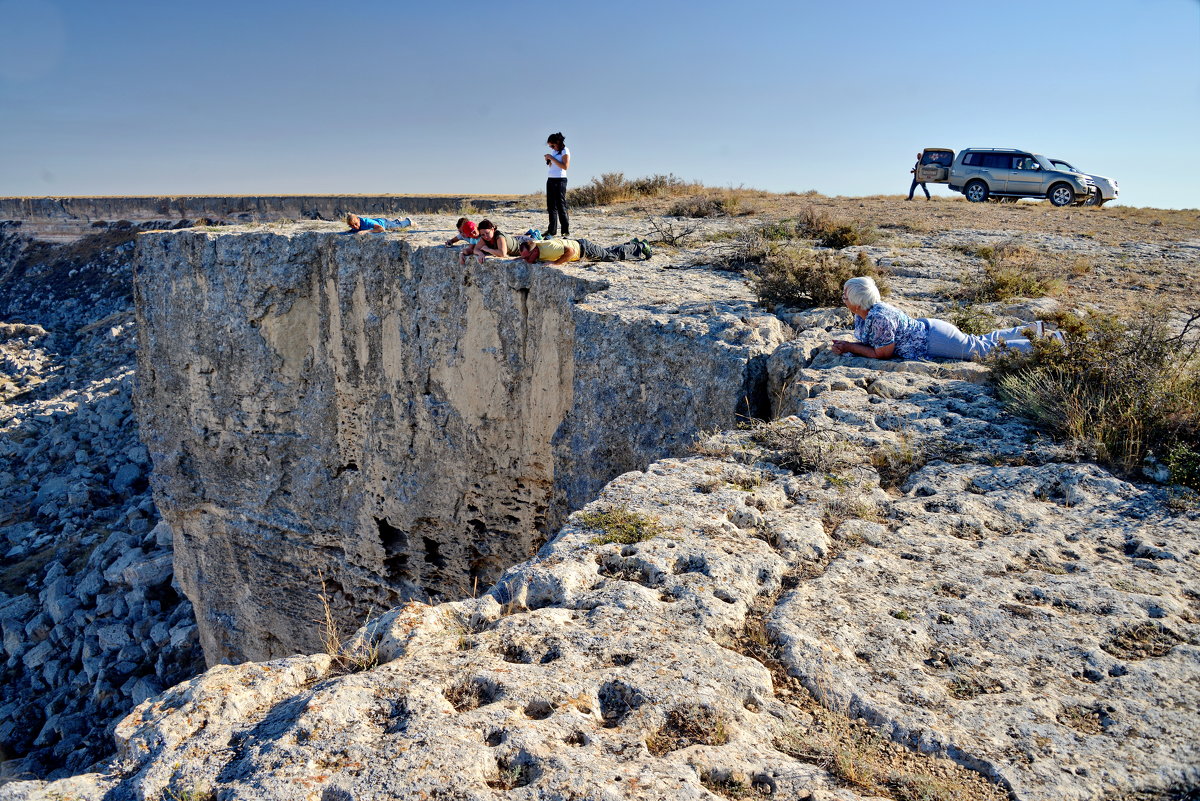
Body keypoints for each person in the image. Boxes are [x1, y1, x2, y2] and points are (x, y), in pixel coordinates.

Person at [831, 276, 1061, 361]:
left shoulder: (878, 317)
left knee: (983, 351)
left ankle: (1047, 345)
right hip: (934, 331)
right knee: (979, 341)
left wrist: (851, 346)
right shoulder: (864, 313)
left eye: (845, 295)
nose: (842, 298)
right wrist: (851, 346)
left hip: (934, 339)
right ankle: (1032, 331)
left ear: (858, 300)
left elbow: (883, 353)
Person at [518, 236, 651, 265]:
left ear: (534, 251)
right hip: (580, 244)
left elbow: (569, 252)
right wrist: (518, 257)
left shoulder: (549, 249)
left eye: (526, 257)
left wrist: (555, 263)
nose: (525, 259)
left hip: (584, 250)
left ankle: (641, 246)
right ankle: (631, 244)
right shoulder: (534, 246)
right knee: (607, 251)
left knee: (611, 256)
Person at [544, 132, 570, 237]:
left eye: (552, 145)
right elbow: (553, 165)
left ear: (558, 142)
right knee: (551, 206)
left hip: (560, 180)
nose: (551, 147)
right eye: (550, 146)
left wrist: (552, 158)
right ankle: (552, 230)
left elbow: (565, 166)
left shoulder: (565, 150)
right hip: (551, 179)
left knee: (561, 205)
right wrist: (548, 160)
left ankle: (565, 230)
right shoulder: (554, 152)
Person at [346, 213, 412, 233]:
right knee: (394, 223)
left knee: (398, 226)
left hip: (384, 223)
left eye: (356, 224)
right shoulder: (353, 225)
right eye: (352, 225)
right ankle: (397, 220)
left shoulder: (366, 222)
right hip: (377, 221)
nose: (354, 226)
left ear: (358, 219)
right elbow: (354, 229)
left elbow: (381, 229)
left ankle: (408, 221)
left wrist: (366, 231)